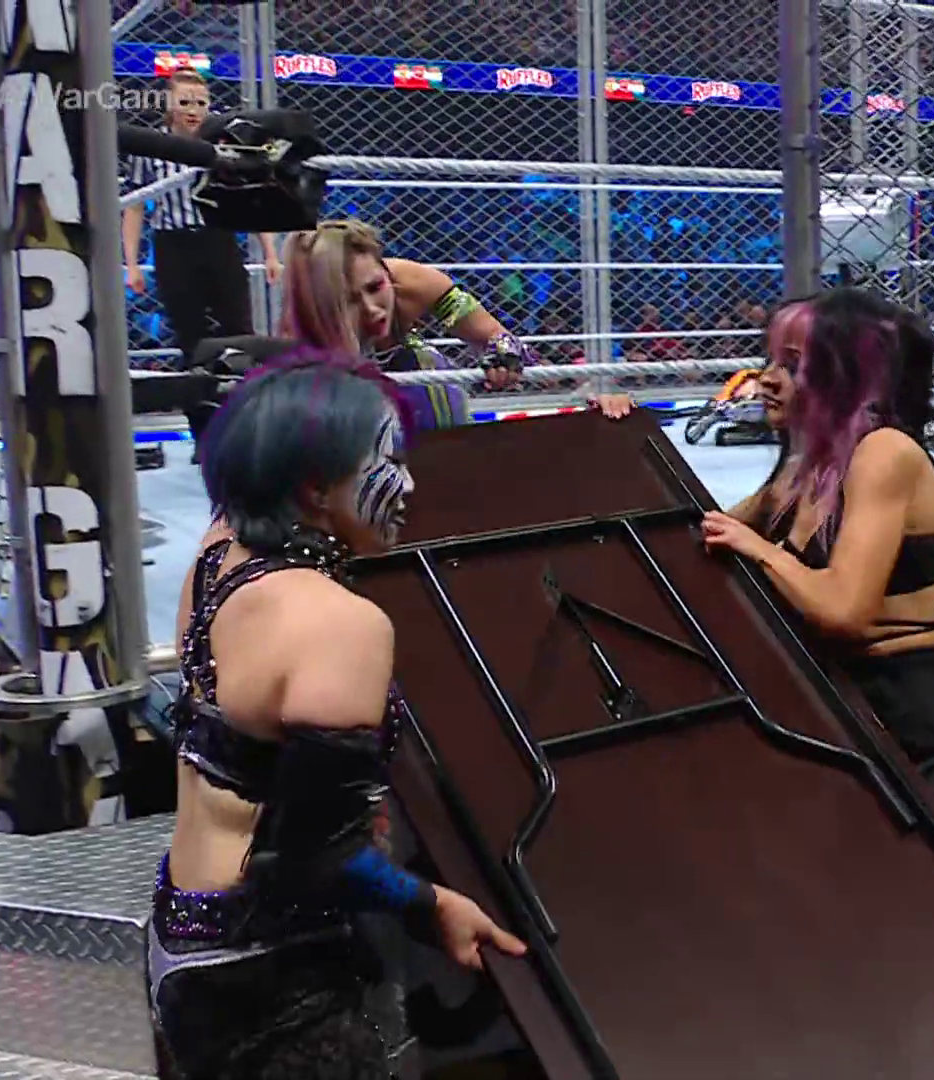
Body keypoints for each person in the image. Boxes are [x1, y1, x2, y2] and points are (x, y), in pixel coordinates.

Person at [150, 352, 527, 1079]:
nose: (408, 485)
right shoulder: (340, 623)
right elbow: (318, 856)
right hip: (265, 972)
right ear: (316, 487)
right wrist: (431, 903)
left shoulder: (216, 557)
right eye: (387, 463)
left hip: (182, 934)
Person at [698, 288, 934, 857]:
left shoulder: (884, 452)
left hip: (904, 714)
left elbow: (844, 611)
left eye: (792, 366)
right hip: (834, 710)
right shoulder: (804, 469)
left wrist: (761, 552)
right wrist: (616, 430)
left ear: (846, 375)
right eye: (770, 361)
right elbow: (694, 535)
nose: (766, 380)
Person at [277, 219, 633, 419]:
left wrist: (504, 356)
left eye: (375, 287)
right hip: (348, 413)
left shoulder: (411, 281)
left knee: (426, 367)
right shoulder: (302, 329)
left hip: (422, 392)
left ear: (385, 271)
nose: (372, 308)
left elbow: (498, 337)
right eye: (351, 300)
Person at [121, 70, 273, 366]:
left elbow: (246, 197)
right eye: (185, 102)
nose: (193, 111)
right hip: (172, 243)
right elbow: (135, 206)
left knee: (237, 322)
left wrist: (270, 253)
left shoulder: (223, 145)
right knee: (188, 327)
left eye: (201, 103)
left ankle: (243, 384)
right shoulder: (149, 147)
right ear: (169, 104)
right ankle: (200, 387)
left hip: (217, 237)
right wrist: (132, 264)